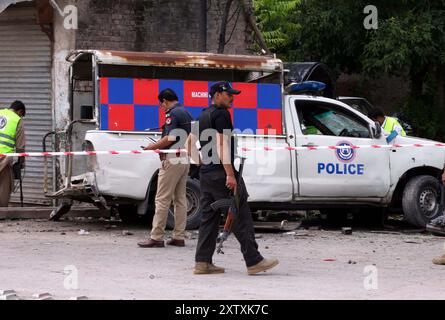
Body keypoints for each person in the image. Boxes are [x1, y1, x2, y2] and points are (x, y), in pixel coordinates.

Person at [192, 81, 279, 275]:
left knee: (209, 217)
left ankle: (202, 262)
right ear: (216, 95)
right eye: (228, 94)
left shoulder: (203, 114)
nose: (232, 97)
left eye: (232, 94)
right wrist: (230, 174)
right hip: (222, 173)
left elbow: (190, 141)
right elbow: (222, 144)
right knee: (240, 214)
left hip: (207, 175)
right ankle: (254, 261)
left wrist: (201, 163)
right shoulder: (222, 114)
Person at [137, 89, 193, 248]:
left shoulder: (173, 114)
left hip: (173, 158)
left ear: (164, 101)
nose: (162, 108)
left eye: (161, 105)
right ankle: (179, 236)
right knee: (180, 199)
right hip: (184, 157)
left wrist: (151, 147)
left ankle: (156, 237)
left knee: (162, 198)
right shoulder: (186, 113)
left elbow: (170, 138)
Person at [0, 100, 26, 207]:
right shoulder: (17, 120)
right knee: (4, 186)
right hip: (4, 158)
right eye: (21, 115)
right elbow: (20, 146)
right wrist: (21, 161)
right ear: (19, 111)